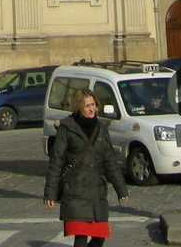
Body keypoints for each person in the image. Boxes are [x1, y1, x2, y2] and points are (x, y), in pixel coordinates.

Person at [44, 89, 128, 247]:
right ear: (78, 107)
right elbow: (56, 162)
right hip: (75, 191)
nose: (92, 109)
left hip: (97, 192)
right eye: (87, 105)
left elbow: (110, 161)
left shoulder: (101, 129)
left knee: (99, 237)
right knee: (81, 238)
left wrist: (121, 189)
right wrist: (50, 193)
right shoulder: (67, 128)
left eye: (93, 105)